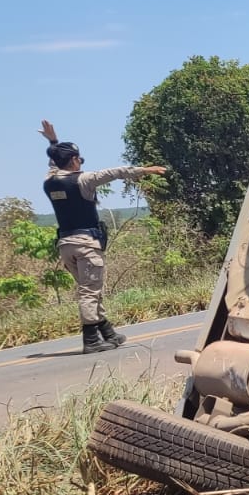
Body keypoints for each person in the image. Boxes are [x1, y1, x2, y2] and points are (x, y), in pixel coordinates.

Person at [38, 120, 167, 354]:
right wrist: (145, 171)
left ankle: (107, 332)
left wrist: (53, 142)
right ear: (75, 160)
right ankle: (91, 340)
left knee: (91, 289)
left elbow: (54, 163)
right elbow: (115, 172)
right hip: (86, 245)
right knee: (89, 292)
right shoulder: (83, 180)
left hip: (66, 246)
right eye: (79, 159)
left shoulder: (49, 182)